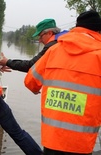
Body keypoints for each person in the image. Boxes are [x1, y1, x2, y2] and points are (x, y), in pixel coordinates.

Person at [24, 10, 101, 155]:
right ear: (98, 31)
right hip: (82, 144)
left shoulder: (54, 50)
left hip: (52, 139)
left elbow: (30, 81)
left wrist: (37, 88)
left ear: (77, 28)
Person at [0, 18, 68, 72]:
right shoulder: (64, 41)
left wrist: (7, 62)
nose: (39, 40)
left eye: (41, 36)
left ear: (49, 33)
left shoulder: (52, 46)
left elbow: (31, 66)